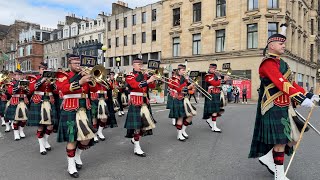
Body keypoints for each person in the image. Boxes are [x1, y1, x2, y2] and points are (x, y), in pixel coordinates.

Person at [248, 24, 318, 180]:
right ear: (271, 46)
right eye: (281, 43)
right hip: (273, 106)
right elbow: (281, 83)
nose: (284, 46)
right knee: (280, 141)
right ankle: (279, 174)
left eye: (284, 43)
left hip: (286, 106)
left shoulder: (284, 64)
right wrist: (301, 99)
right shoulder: (267, 64)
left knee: (294, 138)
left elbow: (292, 84)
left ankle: (267, 157)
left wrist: (308, 94)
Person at [55, 55, 98, 178]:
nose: (78, 65)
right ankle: (71, 165)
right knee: (72, 138)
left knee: (86, 138)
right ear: (70, 64)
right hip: (70, 107)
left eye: (79, 63)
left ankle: (77, 155)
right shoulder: (63, 75)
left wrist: (91, 79)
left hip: (85, 107)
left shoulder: (85, 74)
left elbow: (94, 89)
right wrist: (80, 81)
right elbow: (63, 89)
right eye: (75, 63)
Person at [124, 58, 156, 157]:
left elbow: (152, 87)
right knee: (137, 127)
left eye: (141, 64)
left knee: (144, 126)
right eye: (138, 64)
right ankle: (137, 147)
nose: (140, 66)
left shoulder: (145, 75)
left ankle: (134, 139)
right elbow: (134, 85)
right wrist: (147, 80)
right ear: (133, 65)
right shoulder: (130, 75)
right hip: (135, 102)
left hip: (145, 102)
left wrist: (153, 79)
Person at [27, 62, 58, 155]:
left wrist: (52, 83)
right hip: (38, 101)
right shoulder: (34, 78)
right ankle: (41, 145)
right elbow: (31, 89)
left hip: (49, 100)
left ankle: (45, 140)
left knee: (50, 125)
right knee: (40, 125)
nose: (44, 70)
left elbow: (56, 91)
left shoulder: (52, 78)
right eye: (42, 69)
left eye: (45, 69)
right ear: (39, 69)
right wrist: (43, 79)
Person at [169, 64, 196, 141]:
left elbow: (189, 89)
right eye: (183, 70)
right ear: (178, 70)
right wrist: (189, 86)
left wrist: (191, 84)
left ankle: (183, 130)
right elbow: (179, 89)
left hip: (184, 99)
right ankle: (179, 134)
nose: (184, 72)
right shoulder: (173, 79)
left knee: (191, 114)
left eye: (185, 70)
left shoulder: (184, 78)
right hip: (177, 99)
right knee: (180, 117)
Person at [5, 69, 32, 140]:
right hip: (15, 101)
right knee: (16, 119)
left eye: (20, 75)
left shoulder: (25, 82)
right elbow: (11, 92)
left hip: (23, 101)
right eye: (17, 75)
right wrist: (18, 87)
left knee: (24, 119)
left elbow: (29, 92)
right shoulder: (12, 83)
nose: (18, 76)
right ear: (14, 76)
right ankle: (16, 132)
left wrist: (26, 89)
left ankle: (21, 130)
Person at [203, 64, 226, 132]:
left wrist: (222, 77)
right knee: (214, 111)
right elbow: (214, 83)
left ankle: (210, 121)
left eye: (214, 69)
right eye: (211, 68)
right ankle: (214, 127)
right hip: (211, 94)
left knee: (217, 110)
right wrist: (222, 79)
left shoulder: (216, 75)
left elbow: (220, 83)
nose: (213, 70)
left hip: (217, 94)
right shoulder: (208, 76)